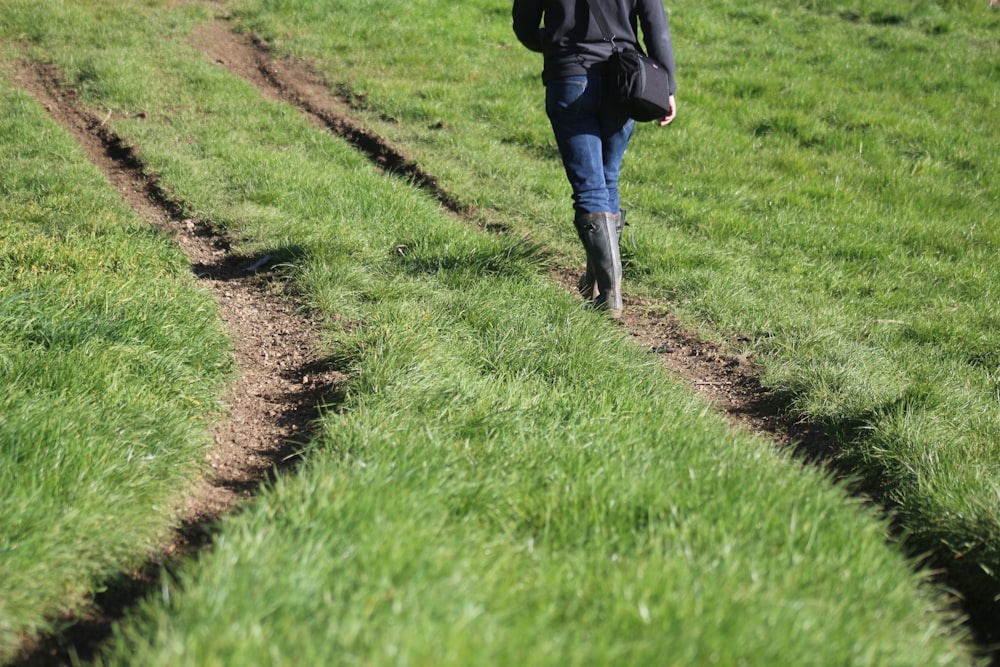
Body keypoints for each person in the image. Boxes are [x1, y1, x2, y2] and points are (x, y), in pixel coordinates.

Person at [512, 0, 677, 317]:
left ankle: (610, 294)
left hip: (569, 79)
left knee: (590, 188)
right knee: (606, 180)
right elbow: (656, 26)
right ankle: (598, 284)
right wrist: (667, 85)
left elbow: (524, 26)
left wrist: (552, 44)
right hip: (624, 81)